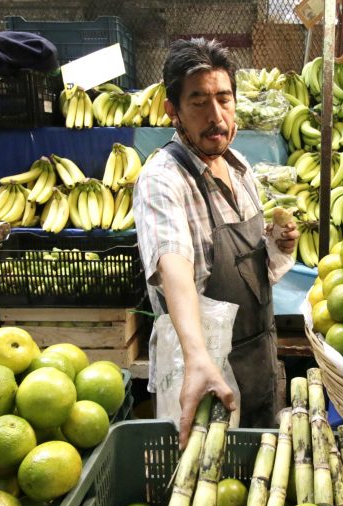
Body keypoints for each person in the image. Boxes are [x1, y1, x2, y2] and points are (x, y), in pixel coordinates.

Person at [133, 38, 299, 447]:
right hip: (203, 366)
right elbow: (173, 265)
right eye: (199, 102)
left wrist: (280, 246)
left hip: (257, 355)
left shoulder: (240, 169)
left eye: (224, 99)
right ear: (172, 110)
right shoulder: (163, 179)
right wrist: (197, 358)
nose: (216, 116)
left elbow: (254, 270)